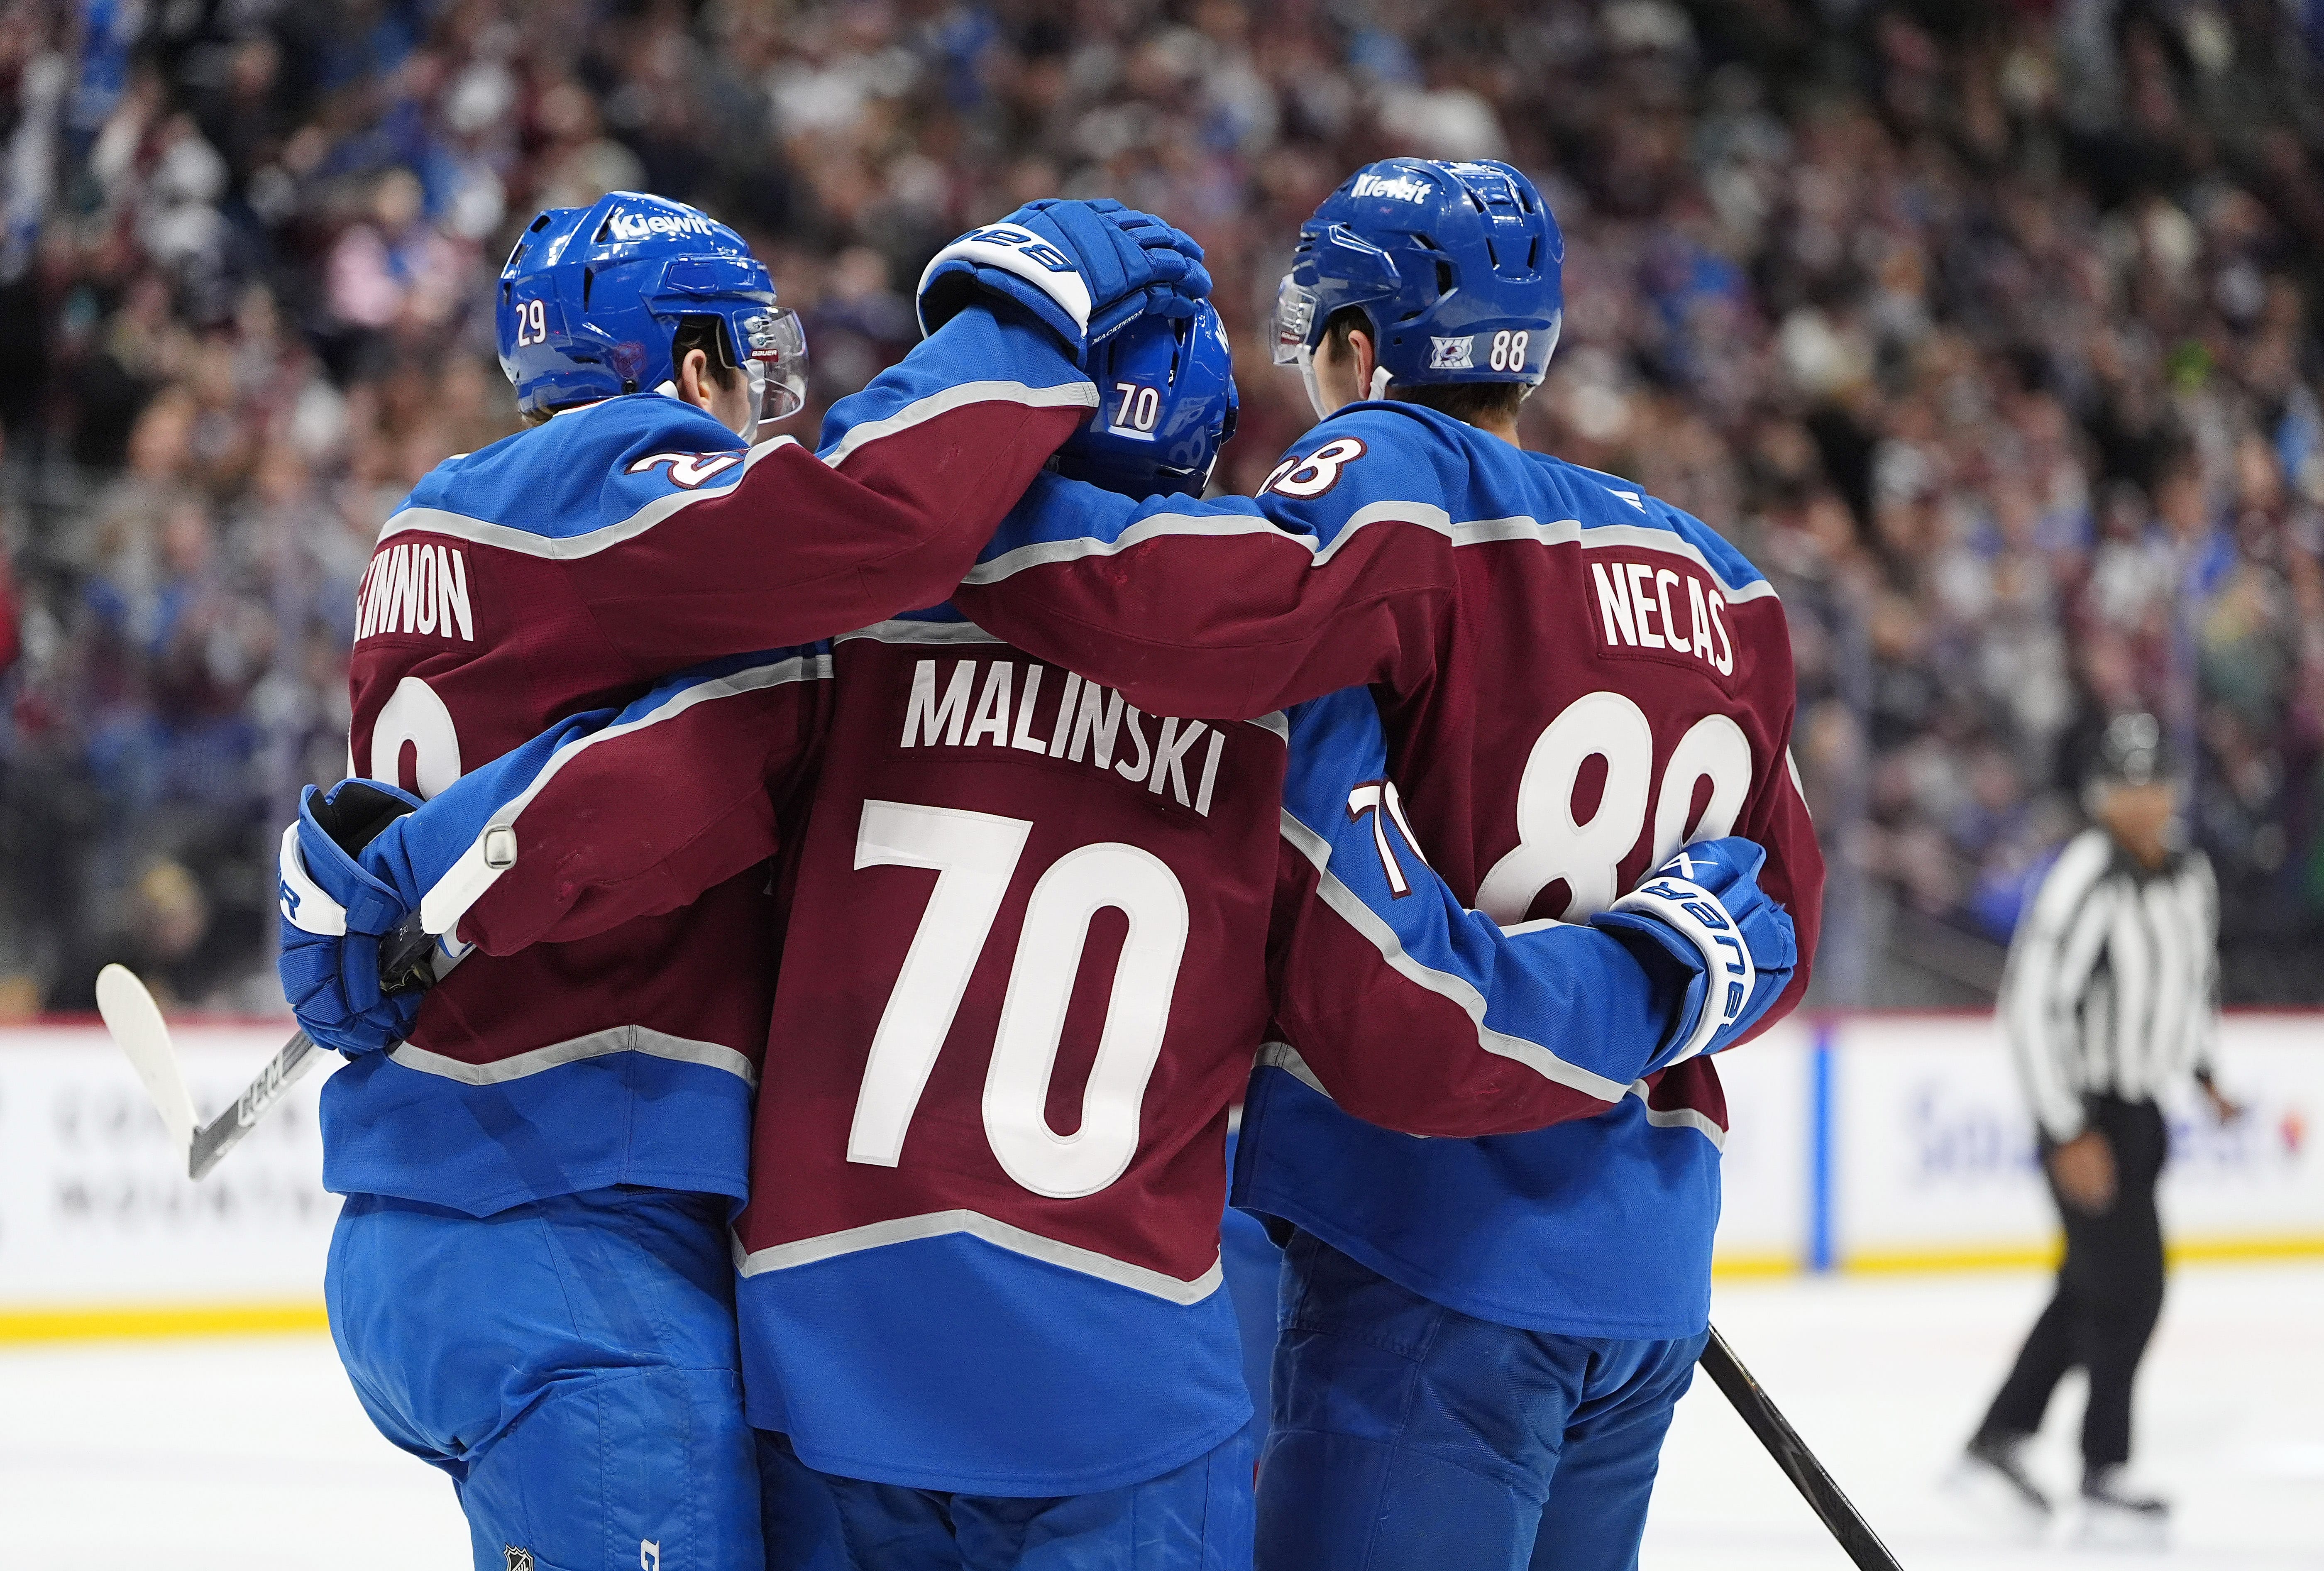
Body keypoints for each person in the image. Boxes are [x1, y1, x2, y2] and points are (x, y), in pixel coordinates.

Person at [290, 295, 1796, 1571]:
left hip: (836, 1361)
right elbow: (1397, 1015)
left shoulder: (841, 647)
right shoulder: (1283, 705)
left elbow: (615, 791)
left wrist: (393, 881)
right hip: (1129, 1391)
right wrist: (1652, 978)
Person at [274, 188, 1208, 1571]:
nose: (757, 401)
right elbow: (868, 528)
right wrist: (1026, 306)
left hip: (444, 1214)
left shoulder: (436, 527)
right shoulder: (610, 476)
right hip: (570, 1227)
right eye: (738, 357)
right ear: (682, 361)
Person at [947, 156, 1827, 1570]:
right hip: (1646, 1266)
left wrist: (962, 510)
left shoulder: (1403, 474)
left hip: (1434, 1254)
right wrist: (1659, 985)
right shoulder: (1720, 577)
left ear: (1361, 350)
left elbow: (1198, 607)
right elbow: (1781, 912)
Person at [1957, 711, 2236, 1545]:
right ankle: (2102, 1465)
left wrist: (2205, 1072)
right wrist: (2067, 1126)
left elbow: (2194, 983)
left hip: (2142, 1108)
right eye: (2127, 785)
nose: (2143, 801)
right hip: (2083, 1109)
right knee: (2132, 1287)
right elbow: (2032, 1004)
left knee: (2090, 1282)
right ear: (2100, 793)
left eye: (2154, 784)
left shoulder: (2189, 875)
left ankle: (1998, 1438)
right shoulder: (2084, 874)